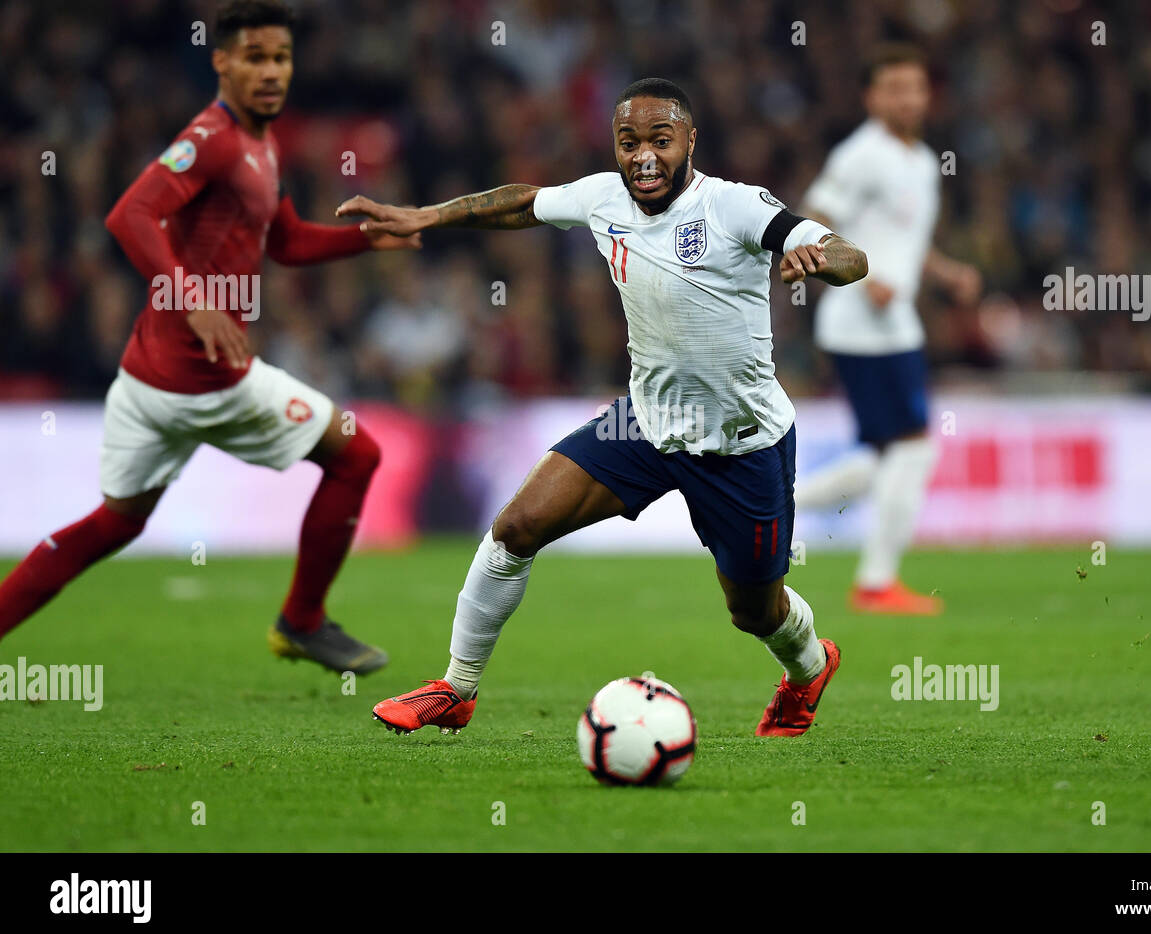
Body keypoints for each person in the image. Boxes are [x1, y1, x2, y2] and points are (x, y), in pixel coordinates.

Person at [339, 77, 868, 738]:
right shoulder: (602, 197)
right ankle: (457, 686)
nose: (643, 155)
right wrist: (426, 217)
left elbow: (851, 254)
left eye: (659, 140)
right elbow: (522, 204)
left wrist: (818, 258)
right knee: (516, 527)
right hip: (643, 424)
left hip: (742, 445)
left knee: (755, 612)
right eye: (628, 141)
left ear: (690, 142)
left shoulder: (735, 207)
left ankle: (810, 667)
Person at [0, 0, 419, 673]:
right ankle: (301, 621)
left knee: (112, 525)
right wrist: (193, 300)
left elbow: (285, 241)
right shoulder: (214, 137)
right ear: (220, 61)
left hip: (148, 379)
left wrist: (370, 237)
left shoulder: (262, 143)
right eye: (254, 57)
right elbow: (130, 213)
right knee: (356, 456)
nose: (271, 72)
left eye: (280, 57)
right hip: (210, 381)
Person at [797, 44, 981, 615]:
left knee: (887, 456)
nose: (907, 98)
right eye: (894, 88)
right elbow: (814, 215)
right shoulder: (860, 155)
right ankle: (876, 583)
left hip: (897, 321)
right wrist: (853, 267)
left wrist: (948, 273)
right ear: (871, 97)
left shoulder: (923, 162)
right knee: (913, 449)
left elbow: (907, 241)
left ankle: (778, 500)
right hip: (859, 321)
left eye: (915, 87)